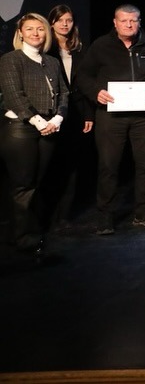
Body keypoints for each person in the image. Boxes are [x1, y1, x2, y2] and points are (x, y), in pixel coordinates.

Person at [78, 4, 145, 234]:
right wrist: (95, 92)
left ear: (140, 21)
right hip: (111, 115)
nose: (129, 25)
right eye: (124, 21)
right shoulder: (101, 45)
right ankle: (105, 216)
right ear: (115, 22)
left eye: (134, 20)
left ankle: (143, 212)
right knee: (108, 166)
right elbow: (83, 75)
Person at [0, 13, 67, 256]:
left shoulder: (51, 61)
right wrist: (39, 121)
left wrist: (58, 118)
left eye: (40, 29)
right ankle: (21, 236)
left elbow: (64, 93)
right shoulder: (11, 59)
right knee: (22, 186)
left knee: (36, 183)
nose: (36, 33)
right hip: (21, 129)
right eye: (30, 29)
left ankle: (27, 229)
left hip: (49, 127)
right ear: (20, 33)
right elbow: (14, 96)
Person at [43, 4, 93, 229]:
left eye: (69, 20)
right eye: (60, 20)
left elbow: (85, 84)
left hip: (75, 113)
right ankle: (46, 214)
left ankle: (63, 215)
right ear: (51, 22)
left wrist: (88, 115)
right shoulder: (44, 49)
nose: (64, 24)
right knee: (50, 164)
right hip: (49, 113)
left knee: (71, 165)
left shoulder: (80, 49)